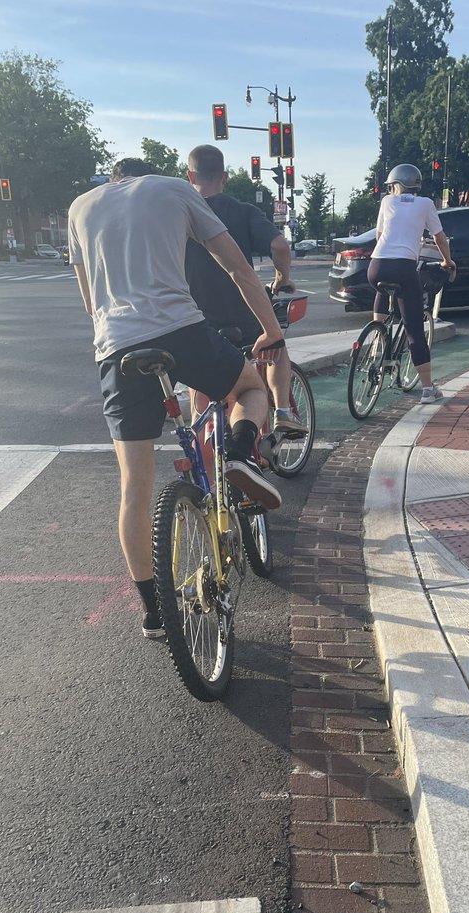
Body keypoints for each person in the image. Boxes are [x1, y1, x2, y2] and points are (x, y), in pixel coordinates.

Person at [67, 157, 286, 641]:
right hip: (181, 330)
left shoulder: (79, 207)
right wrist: (270, 330)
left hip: (117, 348)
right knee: (250, 387)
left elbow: (90, 304)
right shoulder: (174, 189)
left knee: (134, 490)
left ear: (112, 177)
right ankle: (241, 452)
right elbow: (237, 267)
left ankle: (153, 613)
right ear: (150, 173)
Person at [184, 143, 305, 441]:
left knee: (199, 384)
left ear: (190, 176)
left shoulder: (180, 215)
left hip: (197, 318)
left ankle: (201, 440)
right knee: (275, 348)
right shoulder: (242, 211)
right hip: (247, 314)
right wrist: (282, 276)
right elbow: (279, 245)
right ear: (224, 177)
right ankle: (282, 412)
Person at [369, 164, 456, 404]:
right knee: (414, 330)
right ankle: (428, 390)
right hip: (404, 267)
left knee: (381, 288)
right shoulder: (426, 203)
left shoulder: (387, 202)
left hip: (376, 265)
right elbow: (439, 237)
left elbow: (379, 236)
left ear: (396, 185)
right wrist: (447, 261)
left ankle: (379, 337)